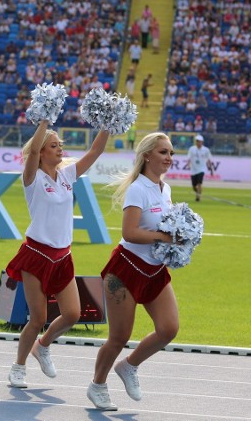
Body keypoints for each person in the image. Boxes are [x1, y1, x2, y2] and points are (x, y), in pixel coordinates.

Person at [6, 119, 109, 389]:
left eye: (60, 145)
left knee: (73, 314)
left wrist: (108, 123)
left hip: (63, 256)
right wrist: (43, 120)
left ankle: (43, 346)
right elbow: (32, 153)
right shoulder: (32, 177)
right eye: (54, 145)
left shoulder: (67, 175)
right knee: (37, 318)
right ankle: (18, 367)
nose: (60, 148)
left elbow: (95, 152)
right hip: (36, 254)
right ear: (41, 151)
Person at [87, 132, 179, 411]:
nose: (169, 158)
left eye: (172, 153)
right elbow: (129, 232)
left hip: (154, 270)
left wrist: (180, 239)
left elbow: (167, 229)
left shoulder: (166, 189)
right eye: (164, 152)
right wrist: (165, 238)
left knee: (168, 329)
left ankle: (129, 366)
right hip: (126, 269)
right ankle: (97, 385)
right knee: (119, 337)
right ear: (147, 155)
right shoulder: (138, 188)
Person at [186, 135, 213, 202]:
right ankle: (198, 192)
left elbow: (209, 159)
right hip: (193, 169)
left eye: (199, 141)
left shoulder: (206, 150)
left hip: (202, 169)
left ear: (202, 142)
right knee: (194, 186)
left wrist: (211, 168)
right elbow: (189, 158)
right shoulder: (192, 149)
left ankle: (198, 197)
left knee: (199, 183)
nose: (198, 142)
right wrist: (188, 164)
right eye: (197, 141)